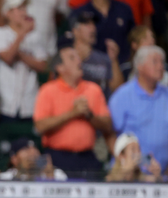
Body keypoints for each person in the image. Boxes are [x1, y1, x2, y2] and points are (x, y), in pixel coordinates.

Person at [33, 45, 112, 178]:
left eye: (78, 57)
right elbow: (40, 126)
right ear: (60, 68)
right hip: (58, 158)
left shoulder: (93, 89)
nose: (79, 61)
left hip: (87, 157)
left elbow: (108, 125)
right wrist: (72, 113)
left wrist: (89, 115)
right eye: (72, 58)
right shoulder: (47, 91)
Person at [108, 46, 168, 178]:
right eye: (155, 62)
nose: (161, 67)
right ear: (140, 66)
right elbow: (109, 134)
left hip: (163, 175)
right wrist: (124, 164)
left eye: (162, 62)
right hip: (131, 176)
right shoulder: (122, 96)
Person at [0, 0, 47, 122]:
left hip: (30, 102)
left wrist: (19, 54)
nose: (24, 12)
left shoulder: (35, 37)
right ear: (7, 13)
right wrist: (22, 35)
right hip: (6, 101)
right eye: (19, 8)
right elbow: (8, 58)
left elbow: (43, 66)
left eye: (24, 8)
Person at [70, 0, 136, 64]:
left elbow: (134, 41)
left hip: (123, 69)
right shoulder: (79, 13)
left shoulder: (125, 9)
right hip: (91, 71)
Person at [64, 11, 123, 98]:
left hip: (100, 107)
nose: (93, 28)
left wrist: (114, 60)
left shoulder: (104, 58)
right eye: (87, 24)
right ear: (75, 31)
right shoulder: (65, 57)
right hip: (74, 106)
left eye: (93, 24)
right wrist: (79, 59)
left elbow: (118, 90)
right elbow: (60, 87)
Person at [0, 137, 68, 181]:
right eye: (26, 150)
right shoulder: (6, 176)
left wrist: (49, 175)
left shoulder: (57, 173)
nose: (33, 153)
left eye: (35, 149)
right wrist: (24, 173)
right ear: (14, 159)